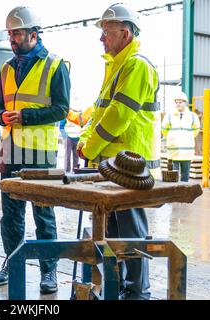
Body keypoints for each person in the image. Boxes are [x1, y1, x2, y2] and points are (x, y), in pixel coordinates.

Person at [77, 3, 161, 300]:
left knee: (131, 232)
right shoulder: (116, 66)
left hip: (131, 168)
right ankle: (123, 289)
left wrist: (91, 145)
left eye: (106, 32)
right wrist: (85, 142)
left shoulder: (137, 65)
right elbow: (99, 112)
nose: (101, 39)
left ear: (125, 33)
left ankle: (138, 293)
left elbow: (119, 116)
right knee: (114, 231)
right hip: (112, 168)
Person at [0, 6, 70, 294]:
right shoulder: (6, 68)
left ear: (34, 35)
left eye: (18, 32)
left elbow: (62, 109)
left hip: (40, 153)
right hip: (10, 150)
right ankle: (12, 263)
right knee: (11, 215)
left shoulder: (56, 65)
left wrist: (25, 117)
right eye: (10, 33)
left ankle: (49, 272)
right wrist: (0, 116)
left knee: (43, 214)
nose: (12, 38)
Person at [162, 92, 201, 182]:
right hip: (173, 150)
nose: (178, 104)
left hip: (187, 152)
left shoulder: (192, 116)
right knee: (173, 175)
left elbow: (196, 129)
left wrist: (188, 137)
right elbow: (164, 129)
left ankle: (184, 192)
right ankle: (174, 192)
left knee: (185, 175)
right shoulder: (169, 115)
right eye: (176, 102)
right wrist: (172, 137)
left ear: (185, 102)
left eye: (180, 102)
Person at [60, 106, 94, 172]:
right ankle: (67, 171)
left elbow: (83, 125)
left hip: (77, 138)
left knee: (76, 156)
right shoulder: (66, 116)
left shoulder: (79, 116)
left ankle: (75, 170)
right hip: (68, 138)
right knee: (67, 156)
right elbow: (61, 126)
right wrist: (65, 136)